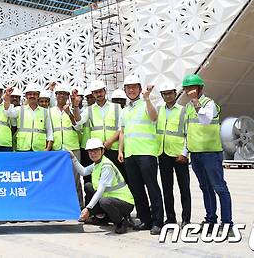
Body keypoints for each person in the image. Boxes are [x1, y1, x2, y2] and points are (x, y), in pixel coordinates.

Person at [183, 74, 233, 235]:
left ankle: (227, 224)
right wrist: (185, 152)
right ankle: (211, 220)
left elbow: (205, 119)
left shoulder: (208, 103)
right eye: (187, 88)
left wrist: (196, 102)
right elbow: (188, 131)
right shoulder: (189, 106)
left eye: (192, 88)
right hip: (196, 155)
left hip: (211, 154)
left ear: (200, 88)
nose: (190, 91)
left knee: (219, 188)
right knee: (205, 188)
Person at [118, 74, 163, 235]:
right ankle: (145, 220)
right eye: (128, 88)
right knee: (137, 190)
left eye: (134, 87)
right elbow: (122, 131)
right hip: (130, 154)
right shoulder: (124, 110)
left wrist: (148, 99)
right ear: (125, 90)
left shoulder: (146, 104)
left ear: (139, 88)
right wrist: (120, 150)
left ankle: (158, 221)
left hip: (146, 153)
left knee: (152, 188)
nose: (131, 90)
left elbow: (154, 117)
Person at [71, 138, 135, 234]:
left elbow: (100, 191)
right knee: (89, 186)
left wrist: (88, 208)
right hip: (111, 199)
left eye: (96, 150)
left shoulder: (106, 166)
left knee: (104, 201)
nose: (93, 153)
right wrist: (73, 158)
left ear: (102, 151)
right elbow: (83, 172)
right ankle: (102, 218)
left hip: (125, 203)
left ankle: (121, 221)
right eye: (90, 151)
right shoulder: (97, 164)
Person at [156, 80, 190, 227]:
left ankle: (186, 218)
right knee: (167, 188)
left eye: (170, 93)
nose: (168, 96)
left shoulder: (183, 110)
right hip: (163, 154)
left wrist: (184, 153)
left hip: (179, 156)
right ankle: (170, 218)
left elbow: (189, 134)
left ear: (175, 94)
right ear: (162, 96)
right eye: (165, 94)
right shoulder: (158, 109)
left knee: (184, 188)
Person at [80, 80, 125, 189]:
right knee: (98, 179)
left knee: (116, 178)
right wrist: (75, 106)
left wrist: (110, 141)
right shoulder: (89, 110)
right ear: (93, 94)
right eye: (96, 92)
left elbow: (122, 127)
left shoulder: (116, 107)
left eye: (100, 91)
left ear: (105, 91)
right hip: (98, 151)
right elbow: (78, 122)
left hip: (113, 149)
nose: (99, 94)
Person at [49, 85, 84, 207]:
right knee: (58, 179)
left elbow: (78, 126)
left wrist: (69, 113)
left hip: (72, 147)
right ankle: (61, 207)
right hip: (57, 148)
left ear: (68, 96)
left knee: (75, 179)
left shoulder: (74, 109)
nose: (61, 96)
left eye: (64, 93)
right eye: (59, 93)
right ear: (56, 95)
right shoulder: (50, 111)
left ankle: (79, 206)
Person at [4, 83, 54, 152]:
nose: (32, 96)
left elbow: (49, 131)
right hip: (22, 148)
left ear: (38, 96)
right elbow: (8, 113)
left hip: (39, 149)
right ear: (26, 96)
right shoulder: (19, 109)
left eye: (34, 94)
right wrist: (7, 98)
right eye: (30, 94)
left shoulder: (45, 112)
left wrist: (48, 148)